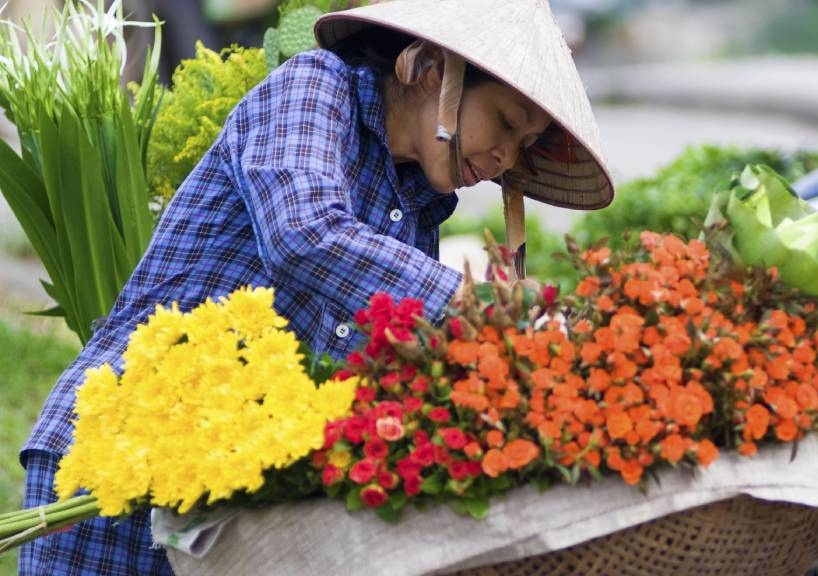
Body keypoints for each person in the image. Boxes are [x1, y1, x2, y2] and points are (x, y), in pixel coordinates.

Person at [18, 0, 613, 573]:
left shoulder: (417, 207)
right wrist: (479, 303)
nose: (507, 158)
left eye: (526, 145)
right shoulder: (313, 86)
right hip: (112, 453)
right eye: (506, 123)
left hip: (223, 482)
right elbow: (305, 233)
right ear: (430, 68)